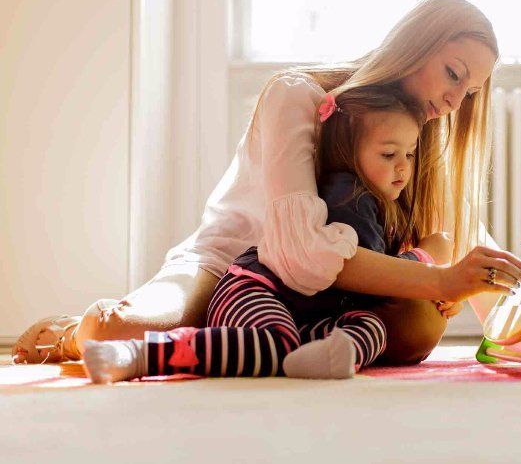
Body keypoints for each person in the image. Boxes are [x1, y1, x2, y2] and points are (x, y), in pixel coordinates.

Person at [12, 0, 521, 367]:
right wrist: (440, 279)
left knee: (416, 321)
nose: (455, 101)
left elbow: (460, 238)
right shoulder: (298, 94)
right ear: (415, 46)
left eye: (472, 93)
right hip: (234, 268)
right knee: (115, 328)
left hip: (330, 298)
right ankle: (71, 334)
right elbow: (297, 252)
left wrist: (513, 324)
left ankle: (287, 348)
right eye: (454, 75)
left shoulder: (419, 142)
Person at [82, 84, 475, 382]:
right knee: (278, 342)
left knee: (370, 328)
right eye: (389, 155)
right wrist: (426, 260)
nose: (404, 168)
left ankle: (321, 357)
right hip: (254, 289)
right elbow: (375, 285)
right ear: (349, 154)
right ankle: (143, 355)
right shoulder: (350, 194)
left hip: (305, 316)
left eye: (410, 154)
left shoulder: (383, 203)